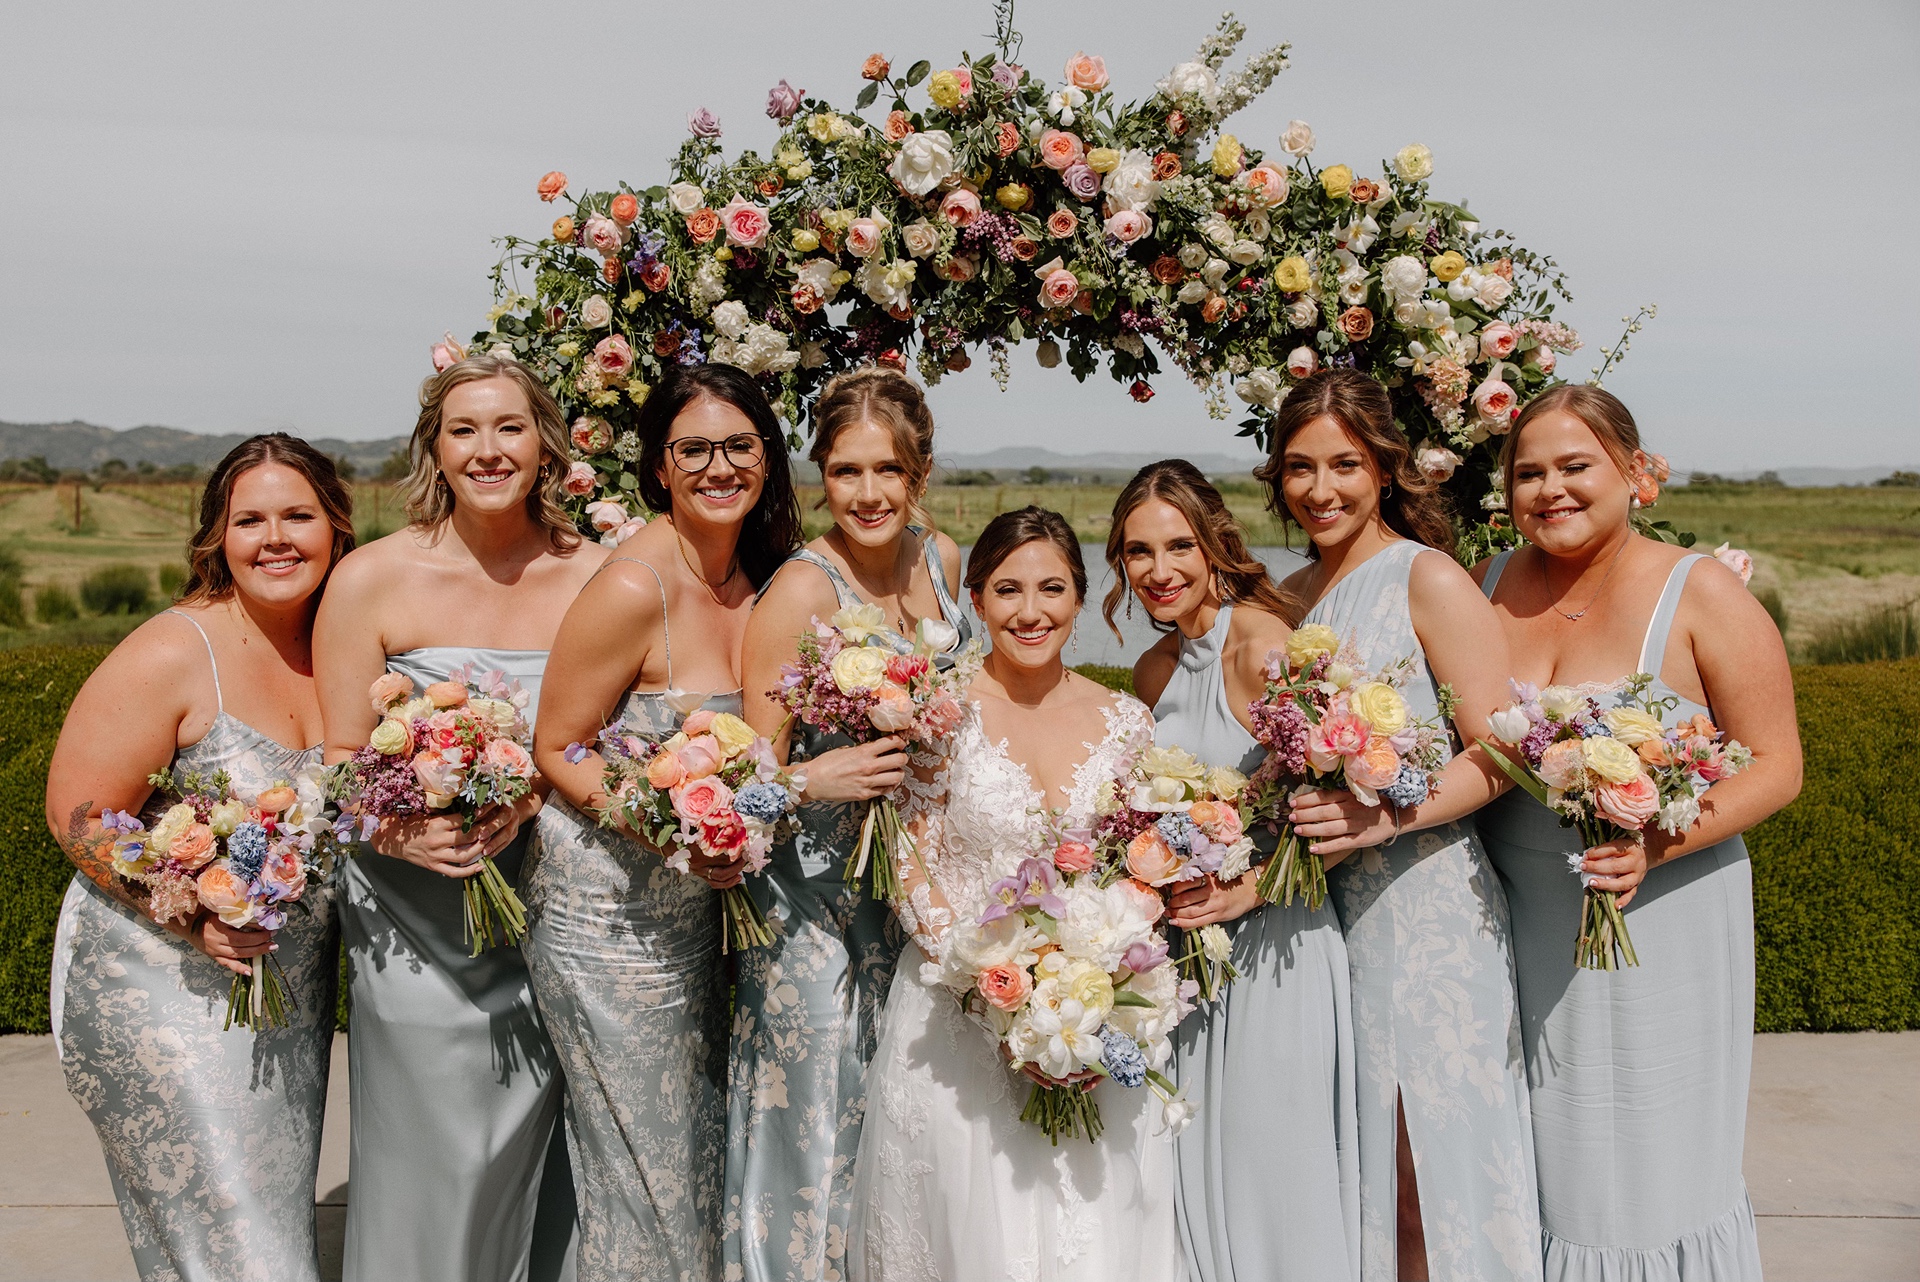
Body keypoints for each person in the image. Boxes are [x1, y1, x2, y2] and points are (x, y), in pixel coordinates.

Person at [1473, 385, 1799, 1279]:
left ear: (1634, 473)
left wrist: (1655, 843)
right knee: (1541, 1150)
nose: (1551, 490)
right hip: (1518, 913)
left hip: (1662, 913)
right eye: (1528, 473)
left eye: (1575, 466)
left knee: (1644, 1168)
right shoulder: (1489, 584)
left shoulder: (1700, 594)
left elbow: (1776, 764)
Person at [315, 354, 598, 1282]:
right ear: (434, 447)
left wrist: (532, 793)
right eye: (464, 430)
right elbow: (343, 767)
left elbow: (610, 743)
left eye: (509, 427)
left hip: (559, 913)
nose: (488, 450)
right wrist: (404, 830)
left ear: (544, 442)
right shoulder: (369, 580)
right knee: (432, 1160)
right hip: (414, 921)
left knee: (561, 1162)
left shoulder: (597, 576)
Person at [45, 434, 355, 1282]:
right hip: (156, 983)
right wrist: (189, 907)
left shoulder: (347, 648)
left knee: (256, 1235)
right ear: (217, 537)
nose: (275, 538)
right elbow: (77, 813)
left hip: (283, 998)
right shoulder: (176, 649)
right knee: (245, 1253)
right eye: (249, 519)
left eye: (298, 515)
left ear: (336, 526)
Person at [847, 506, 1184, 1282]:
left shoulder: (1128, 722)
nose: (1030, 612)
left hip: (1089, 1011)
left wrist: (1089, 986)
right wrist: (993, 984)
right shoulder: (936, 709)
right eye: (1007, 590)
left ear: (1078, 596)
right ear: (974, 597)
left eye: (1052, 589)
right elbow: (904, 855)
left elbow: (1138, 865)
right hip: (955, 1012)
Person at [1260, 369, 1542, 1282]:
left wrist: (1384, 816)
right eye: (1299, 467)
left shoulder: (1427, 578)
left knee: (1427, 1180)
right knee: (1357, 1177)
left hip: (1429, 919)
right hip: (1318, 928)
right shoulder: (1284, 597)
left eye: (1344, 463)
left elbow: (1501, 751)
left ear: (1385, 468)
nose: (1320, 488)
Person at [525, 364, 803, 1282]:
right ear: (658, 468)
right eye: (694, 449)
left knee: (689, 1156)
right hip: (607, 921)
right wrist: (683, 834)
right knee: (647, 1173)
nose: (719, 466)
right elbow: (559, 746)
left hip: (696, 915)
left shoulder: (754, 579)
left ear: (766, 457)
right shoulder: (633, 587)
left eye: (739, 446)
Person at [728, 367, 969, 1282]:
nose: (868, 494)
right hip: (814, 902)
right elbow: (749, 775)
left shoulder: (942, 562)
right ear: (819, 477)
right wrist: (812, 773)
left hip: (917, 891)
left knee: (904, 1114)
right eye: (844, 471)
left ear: (922, 472)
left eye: (888, 470)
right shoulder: (801, 590)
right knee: (819, 1117)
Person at [1111, 460, 1360, 1282]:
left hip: (1278, 949)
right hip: (1192, 963)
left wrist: (1253, 886)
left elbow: (1331, 795)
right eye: (1137, 552)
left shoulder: (1265, 645)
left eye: (1178, 545)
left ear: (1217, 543)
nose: (1159, 570)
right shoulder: (1152, 673)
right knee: (1190, 1170)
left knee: (1273, 1172)